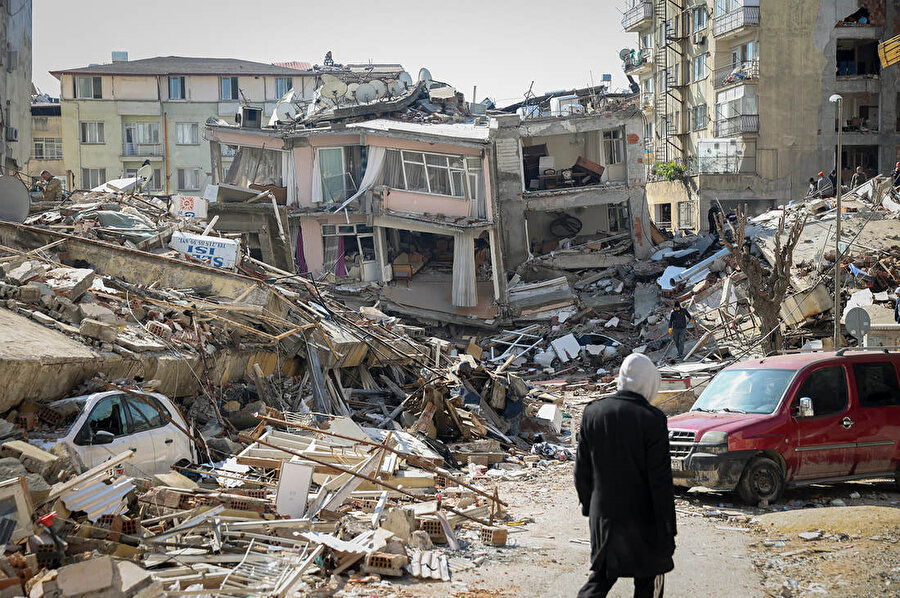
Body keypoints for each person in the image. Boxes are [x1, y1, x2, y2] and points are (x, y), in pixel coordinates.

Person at [575, 353, 675, 598]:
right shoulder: (653, 420)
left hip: (604, 518)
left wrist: (591, 509)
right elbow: (660, 481)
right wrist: (668, 528)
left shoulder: (593, 413)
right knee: (646, 584)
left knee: (600, 580)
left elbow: (581, 471)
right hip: (645, 521)